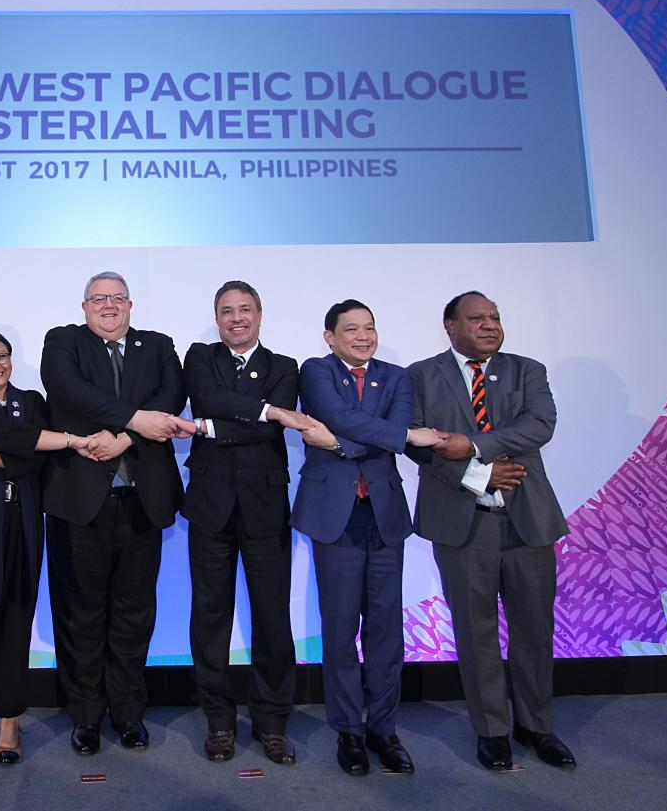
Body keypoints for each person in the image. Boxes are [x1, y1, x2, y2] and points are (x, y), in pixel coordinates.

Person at [406, 291, 575, 771]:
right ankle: (492, 730)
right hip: (463, 521)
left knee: (534, 630)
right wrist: (476, 472)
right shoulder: (422, 375)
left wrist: (473, 446)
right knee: (475, 631)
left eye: (495, 318)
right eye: (476, 318)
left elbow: (539, 425)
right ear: (449, 325)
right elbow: (415, 442)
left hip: (529, 519)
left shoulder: (528, 370)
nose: (489, 326)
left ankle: (537, 726)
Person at [41, 271, 189, 755]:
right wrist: (134, 419)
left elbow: (170, 398)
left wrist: (127, 436)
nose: (108, 306)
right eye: (99, 299)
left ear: (131, 304)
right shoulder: (63, 341)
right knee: (81, 614)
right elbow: (67, 390)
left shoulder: (160, 344)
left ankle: (128, 713)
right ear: (84, 306)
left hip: (142, 501)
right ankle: (85, 716)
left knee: (134, 613)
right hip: (79, 503)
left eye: (117, 298)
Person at [292, 299, 442, 777]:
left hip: (383, 515)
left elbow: (384, 429)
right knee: (338, 630)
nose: (362, 336)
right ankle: (348, 732)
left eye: (369, 328)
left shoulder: (397, 377)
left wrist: (337, 443)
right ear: (330, 336)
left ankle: (384, 729)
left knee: (385, 631)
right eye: (351, 329)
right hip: (335, 515)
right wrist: (396, 437)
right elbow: (348, 418)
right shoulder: (314, 371)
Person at [0, 329, 93, 769]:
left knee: (16, 614)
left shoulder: (32, 401)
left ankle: (9, 720)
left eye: (1, 356)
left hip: (23, 521)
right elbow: (16, 441)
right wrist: (20, 446)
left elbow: (31, 455)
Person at [182, 280, 313, 764]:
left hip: (265, 507)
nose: (236, 318)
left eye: (245, 309)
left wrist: (210, 428)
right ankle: (218, 721)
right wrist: (265, 411)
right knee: (210, 616)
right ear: (216, 319)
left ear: (260, 315)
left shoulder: (285, 367)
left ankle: (272, 721)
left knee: (272, 617)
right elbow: (207, 397)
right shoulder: (199, 356)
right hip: (210, 507)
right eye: (226, 311)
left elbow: (255, 425)